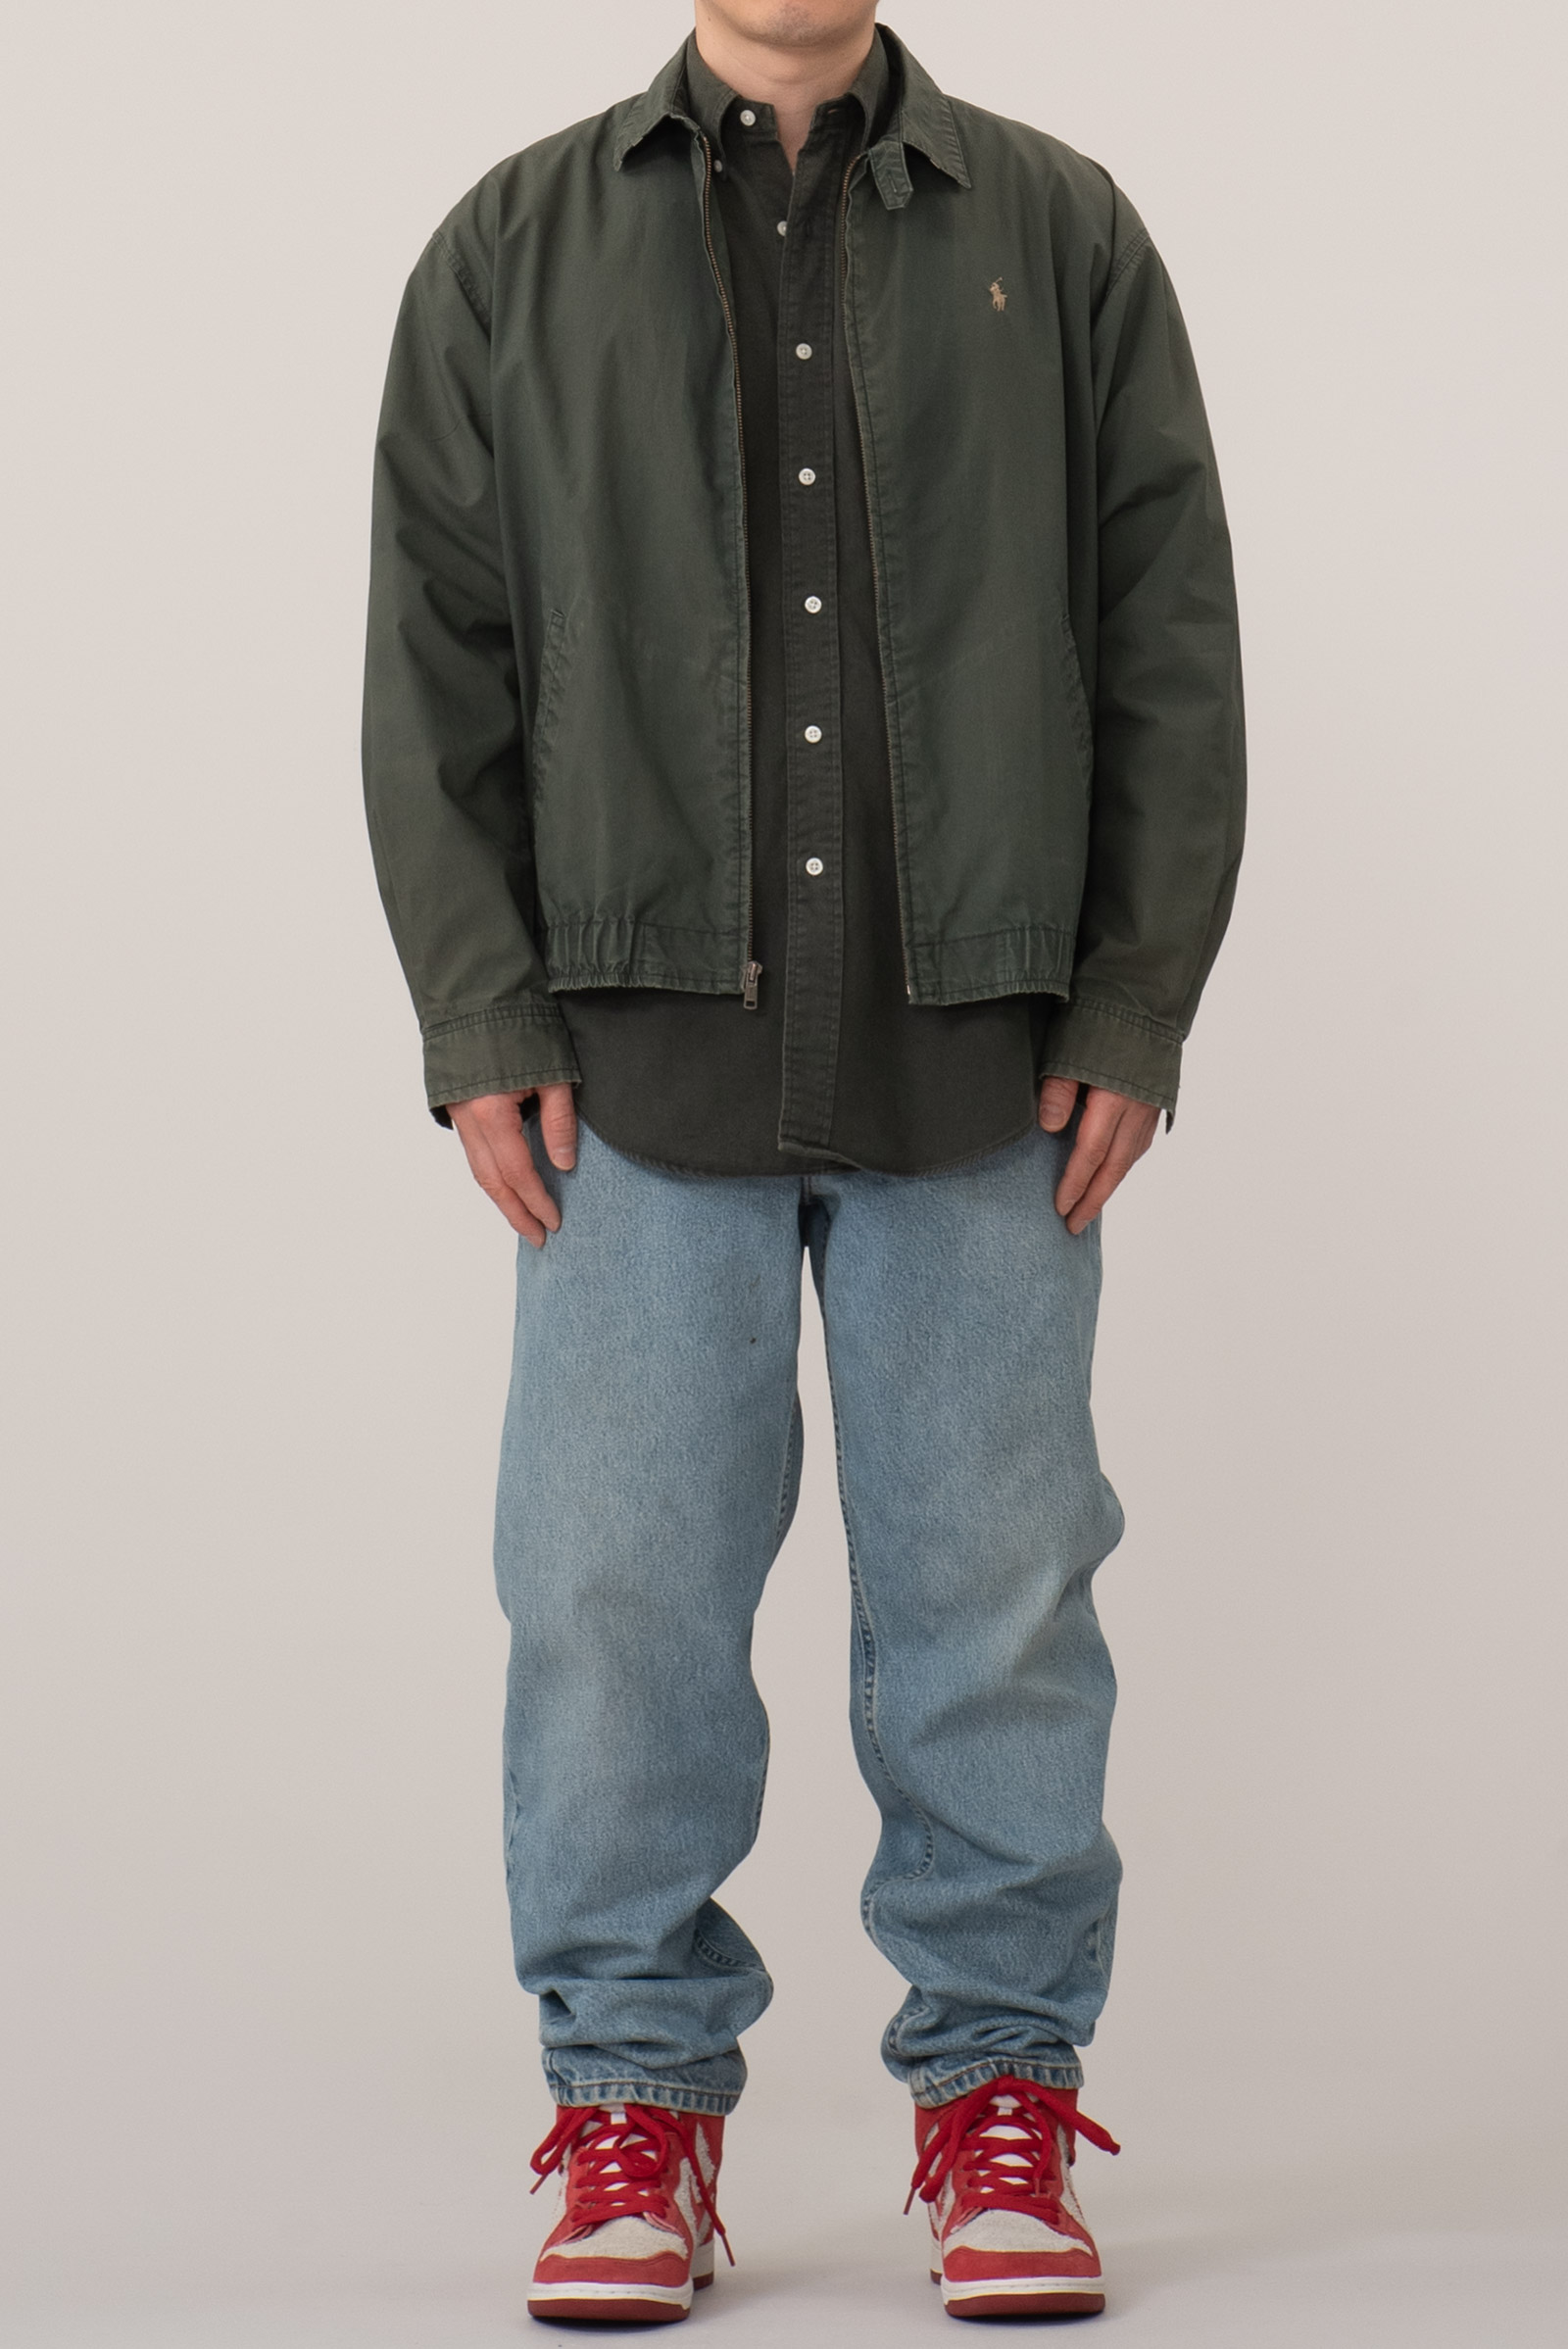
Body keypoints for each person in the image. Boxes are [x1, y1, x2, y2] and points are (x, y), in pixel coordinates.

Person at [362, 0, 1244, 2324]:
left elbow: (1164, 624)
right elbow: (434, 653)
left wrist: (1131, 998)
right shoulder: (513, 247)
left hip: (987, 1058)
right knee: (614, 1603)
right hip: (628, 1070)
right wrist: (478, 1014)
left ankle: (999, 2091)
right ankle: (630, 2100)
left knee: (997, 1605)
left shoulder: (1055, 231)